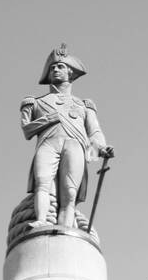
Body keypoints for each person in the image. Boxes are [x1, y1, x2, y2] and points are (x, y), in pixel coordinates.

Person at [20, 44, 110, 230]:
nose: (55, 70)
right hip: (48, 143)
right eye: (52, 67)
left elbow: (94, 131)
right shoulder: (37, 102)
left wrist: (102, 148)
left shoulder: (84, 105)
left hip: (74, 145)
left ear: (70, 73)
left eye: (60, 67)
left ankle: (66, 228)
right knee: (43, 183)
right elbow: (27, 130)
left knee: (69, 193)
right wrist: (50, 119)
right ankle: (42, 220)